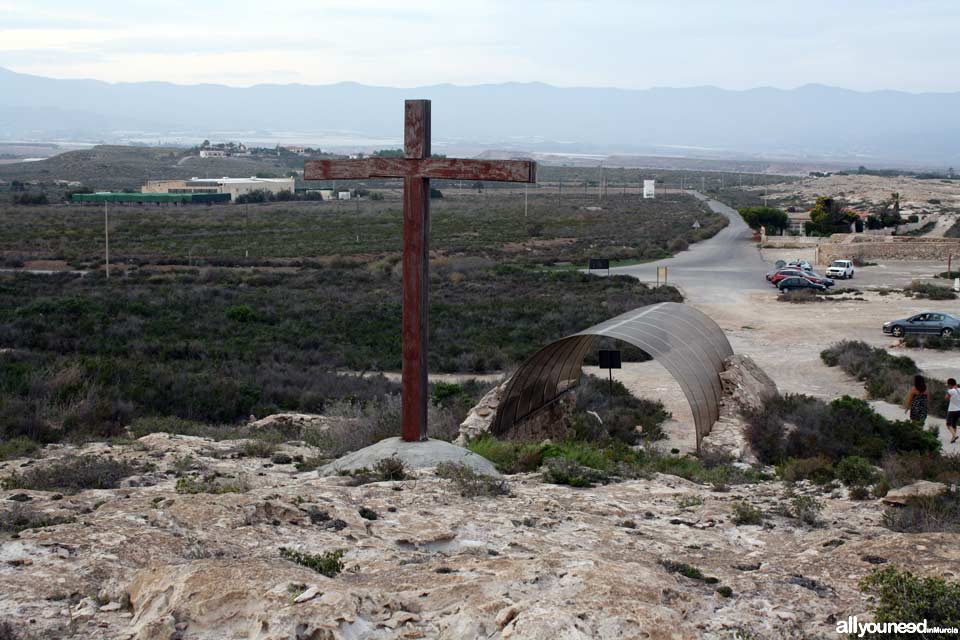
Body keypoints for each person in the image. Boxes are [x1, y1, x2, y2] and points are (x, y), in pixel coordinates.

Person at [946, 378, 960, 444]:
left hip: (951, 410)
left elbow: (946, 398)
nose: (948, 386)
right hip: (959, 410)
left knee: (948, 424)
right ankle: (953, 438)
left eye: (948, 385)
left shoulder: (951, 391)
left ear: (950, 384)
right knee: (954, 424)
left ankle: (955, 435)